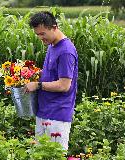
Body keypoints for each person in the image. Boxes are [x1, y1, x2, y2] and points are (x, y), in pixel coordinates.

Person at [25, 11, 78, 151]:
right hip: (43, 111)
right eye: (37, 34)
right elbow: (51, 73)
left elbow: (64, 85)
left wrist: (37, 85)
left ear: (54, 27)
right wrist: (31, 74)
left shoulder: (66, 51)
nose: (40, 38)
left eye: (43, 34)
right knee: (39, 159)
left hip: (58, 115)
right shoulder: (52, 45)